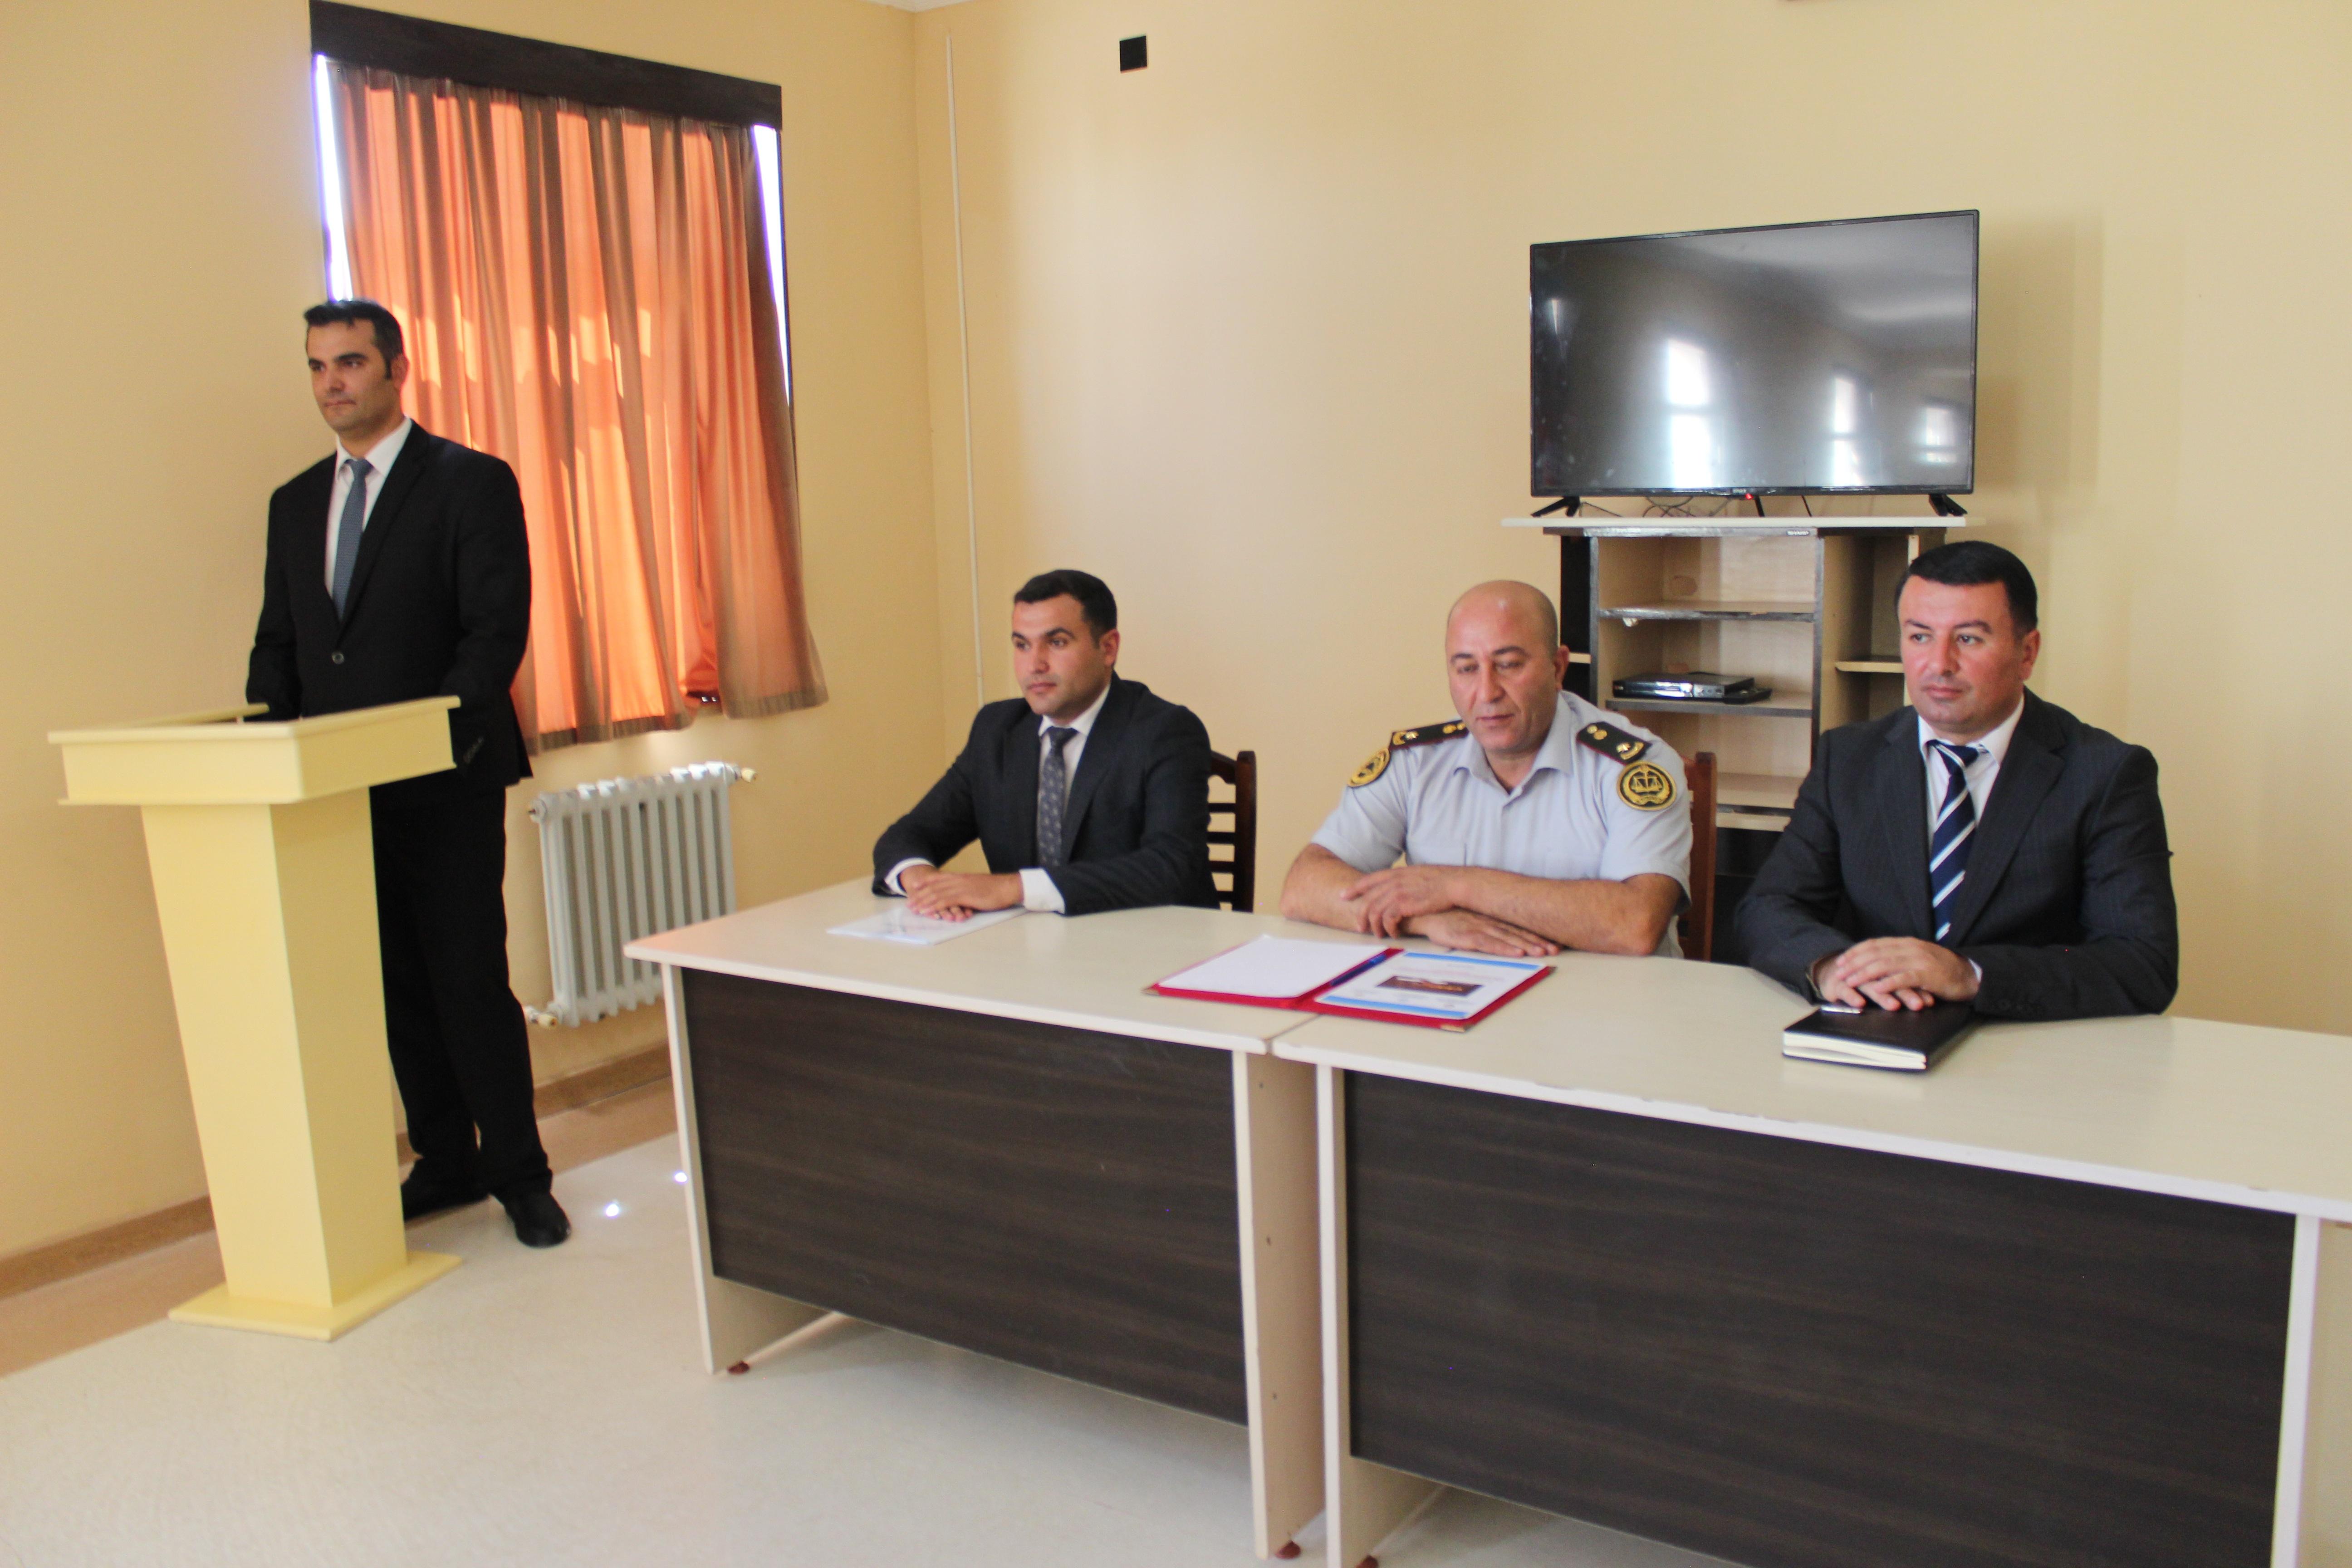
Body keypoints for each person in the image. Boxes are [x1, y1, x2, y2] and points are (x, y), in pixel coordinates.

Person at [246, 299, 568, 1248]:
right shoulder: (295, 503)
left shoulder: (470, 481)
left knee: (468, 979)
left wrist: (427, 735)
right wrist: (266, 738)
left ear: (396, 369)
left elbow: (493, 633)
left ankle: (520, 1173)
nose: (332, 383)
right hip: (340, 793)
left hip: (446, 778)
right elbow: (281, 643)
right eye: (317, 367)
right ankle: (445, 1160)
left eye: (350, 362)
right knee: (396, 985)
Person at [1736, 540, 2176, 1020]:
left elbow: (2143, 963)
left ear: (2027, 652)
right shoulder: (1848, 758)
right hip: (1877, 1031)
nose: (1939, 664)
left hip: (2028, 1041)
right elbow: (1769, 907)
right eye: (1920, 636)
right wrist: (1829, 968)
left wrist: (1971, 974)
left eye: (1968, 639)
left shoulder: (2106, 773)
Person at [1281, 581, 1690, 958]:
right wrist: (1423, 920)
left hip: (1605, 1003)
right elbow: (1304, 887)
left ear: (1558, 667)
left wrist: (1454, 886)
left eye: (1508, 664)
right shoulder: (1417, 762)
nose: (1487, 692)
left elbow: (1635, 925)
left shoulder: (1633, 767)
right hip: (1459, 992)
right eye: (1467, 669)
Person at [873, 569, 1217, 917]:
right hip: (1030, 943)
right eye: (1022, 645)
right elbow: (909, 835)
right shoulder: (997, 730)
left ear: (1108, 648)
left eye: (1057, 643)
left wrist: (1014, 888)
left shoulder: (1165, 731)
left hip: (1148, 941)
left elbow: (1170, 867)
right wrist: (923, 884)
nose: (1034, 665)